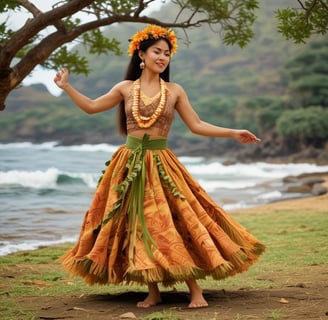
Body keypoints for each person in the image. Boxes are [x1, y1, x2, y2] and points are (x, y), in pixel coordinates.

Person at [54, 24, 265, 309]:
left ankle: (196, 291)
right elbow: (92, 106)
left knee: (175, 223)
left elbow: (197, 124)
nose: (163, 57)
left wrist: (232, 132)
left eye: (167, 53)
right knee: (135, 225)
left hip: (161, 164)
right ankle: (152, 291)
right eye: (157, 51)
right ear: (141, 54)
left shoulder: (175, 91)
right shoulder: (126, 88)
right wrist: (66, 86)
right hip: (128, 165)